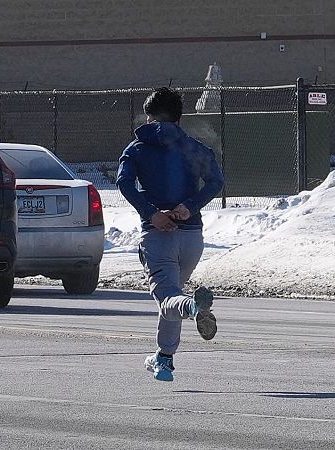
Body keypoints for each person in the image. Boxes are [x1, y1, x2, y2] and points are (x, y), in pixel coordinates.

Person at [117, 87, 225, 382]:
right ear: (180, 118)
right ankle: (164, 359)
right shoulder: (195, 148)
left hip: (157, 236)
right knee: (172, 292)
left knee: (170, 299)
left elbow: (124, 184)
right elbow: (216, 181)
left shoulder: (136, 149)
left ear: (149, 116)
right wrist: (189, 207)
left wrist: (152, 213)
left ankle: (192, 307)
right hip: (192, 238)